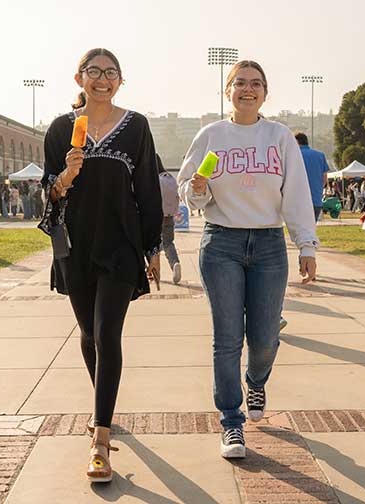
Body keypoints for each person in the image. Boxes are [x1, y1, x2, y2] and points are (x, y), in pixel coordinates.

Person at [178, 60, 318, 460]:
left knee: (264, 338)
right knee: (226, 339)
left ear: (265, 92)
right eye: (240, 82)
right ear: (228, 91)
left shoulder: (278, 137)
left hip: (270, 245)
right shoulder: (211, 135)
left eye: (256, 84)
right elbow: (192, 192)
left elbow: (294, 192)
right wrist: (199, 189)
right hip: (221, 242)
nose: (248, 89)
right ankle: (231, 422)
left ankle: (256, 380)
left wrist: (306, 244)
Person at [38, 48, 162, 483]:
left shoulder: (137, 128)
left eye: (111, 73)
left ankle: (100, 440)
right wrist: (65, 178)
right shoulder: (59, 129)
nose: (102, 79)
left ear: (120, 81)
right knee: (89, 334)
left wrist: (153, 247)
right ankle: (102, 407)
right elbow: (49, 196)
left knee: (108, 332)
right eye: (95, 72)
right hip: (74, 245)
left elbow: (146, 188)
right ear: (79, 78)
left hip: (120, 244)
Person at [157, 154, 182, 284]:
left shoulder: (151, 178)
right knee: (168, 243)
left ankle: (154, 271)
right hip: (169, 216)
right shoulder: (169, 178)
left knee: (149, 244)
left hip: (155, 216)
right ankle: (175, 263)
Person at [295, 132, 329, 221]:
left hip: (298, 200)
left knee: (298, 231)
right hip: (316, 199)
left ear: (296, 142)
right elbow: (324, 177)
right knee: (310, 230)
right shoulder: (320, 155)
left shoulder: (293, 155)